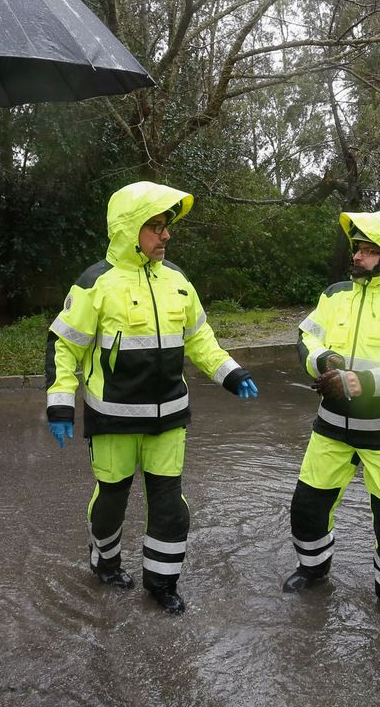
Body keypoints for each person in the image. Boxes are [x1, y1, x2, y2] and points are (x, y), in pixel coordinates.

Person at [44, 182, 258, 614]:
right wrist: (61, 404)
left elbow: (201, 340)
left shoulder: (178, 281)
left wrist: (231, 374)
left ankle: (162, 583)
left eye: (167, 227)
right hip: (113, 422)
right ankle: (105, 561)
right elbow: (64, 346)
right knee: (110, 503)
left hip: (169, 421)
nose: (166, 236)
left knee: (169, 508)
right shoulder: (96, 284)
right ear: (129, 229)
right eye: (156, 227)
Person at [283, 211, 380, 624]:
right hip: (330, 428)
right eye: (359, 249)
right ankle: (312, 571)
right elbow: (305, 336)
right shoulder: (335, 295)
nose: (360, 256)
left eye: (371, 251)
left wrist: (360, 382)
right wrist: (323, 360)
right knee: (307, 506)